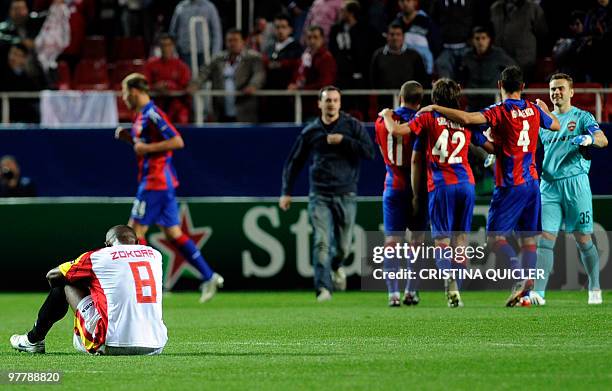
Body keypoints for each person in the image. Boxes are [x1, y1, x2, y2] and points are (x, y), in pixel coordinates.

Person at [416, 66, 561, 306]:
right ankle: (525, 293)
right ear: (523, 87)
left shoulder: (499, 110)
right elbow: (555, 125)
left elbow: (465, 118)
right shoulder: (534, 109)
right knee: (528, 240)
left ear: (499, 86)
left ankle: (519, 277)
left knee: (494, 238)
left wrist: (435, 107)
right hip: (533, 182)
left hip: (510, 183)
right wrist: (546, 110)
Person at [381, 78, 493, 307]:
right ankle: (457, 295)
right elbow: (491, 147)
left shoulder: (427, 116)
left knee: (442, 241)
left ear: (434, 98)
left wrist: (386, 116)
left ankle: (448, 279)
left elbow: (399, 132)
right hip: (466, 184)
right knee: (460, 241)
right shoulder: (466, 120)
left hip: (441, 185)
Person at [114, 73, 223, 303]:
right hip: (162, 182)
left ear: (134, 91)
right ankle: (209, 275)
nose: (124, 98)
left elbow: (177, 141)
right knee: (172, 232)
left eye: (125, 93)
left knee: (134, 232)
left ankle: (145, 286)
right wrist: (128, 139)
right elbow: (142, 147)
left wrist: (147, 147)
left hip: (155, 181)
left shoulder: (152, 113)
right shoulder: (141, 116)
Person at [279, 86, 375, 302]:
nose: (331, 103)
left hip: (346, 193)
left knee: (342, 246)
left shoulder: (351, 126)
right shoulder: (312, 130)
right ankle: (323, 288)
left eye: (334, 100)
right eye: (327, 100)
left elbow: (370, 152)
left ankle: (337, 265)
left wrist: (344, 141)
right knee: (321, 242)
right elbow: (294, 162)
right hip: (320, 194)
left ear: (340, 104)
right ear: (319, 104)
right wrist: (286, 192)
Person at [10, 225, 168, 355]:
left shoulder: (99, 256)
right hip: (156, 344)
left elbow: (52, 276)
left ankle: (33, 340)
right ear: (138, 242)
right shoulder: (154, 255)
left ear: (107, 245)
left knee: (66, 283)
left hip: (111, 342)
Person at [534, 73, 608, 305]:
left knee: (583, 238)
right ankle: (539, 292)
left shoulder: (582, 116)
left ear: (571, 92)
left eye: (560, 88)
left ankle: (594, 287)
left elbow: (603, 139)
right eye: (553, 89)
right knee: (545, 238)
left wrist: (589, 140)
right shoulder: (545, 122)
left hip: (575, 184)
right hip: (548, 185)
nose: (556, 92)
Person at [373, 81, 428, 307]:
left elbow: (381, 149)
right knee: (417, 242)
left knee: (392, 242)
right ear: (420, 101)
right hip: (417, 187)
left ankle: (392, 294)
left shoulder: (380, 121)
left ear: (400, 97)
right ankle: (411, 292)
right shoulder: (421, 122)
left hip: (392, 185)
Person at [191, 28, 265, 122]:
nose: (232, 43)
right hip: (220, 112)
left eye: (235, 40)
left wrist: (253, 86)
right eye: (229, 40)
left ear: (243, 41)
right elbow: (204, 72)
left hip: (245, 111)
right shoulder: (217, 59)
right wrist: (195, 84)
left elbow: (259, 74)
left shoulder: (253, 58)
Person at [454, 25, 516, 111]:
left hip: (493, 101)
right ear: (472, 40)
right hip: (472, 103)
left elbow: (514, 71)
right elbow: (459, 77)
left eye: (483, 38)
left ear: (489, 39)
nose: (480, 42)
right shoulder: (466, 56)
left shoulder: (499, 54)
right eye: (477, 38)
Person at [144, 33, 192, 124]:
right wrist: (155, 87)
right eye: (163, 45)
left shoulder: (181, 66)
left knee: (182, 114)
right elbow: (145, 85)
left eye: (168, 45)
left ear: (173, 46)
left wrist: (170, 86)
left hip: (176, 104)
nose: (166, 48)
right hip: (156, 103)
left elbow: (186, 86)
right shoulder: (151, 65)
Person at [169, 0, 223, 66]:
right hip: (185, 52)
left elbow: (216, 32)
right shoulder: (181, 7)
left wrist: (215, 54)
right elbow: (173, 32)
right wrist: (173, 52)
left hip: (204, 52)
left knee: (204, 74)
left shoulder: (209, 7)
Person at [393, 0, 440, 76]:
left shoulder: (427, 22)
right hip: (402, 70)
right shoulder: (395, 23)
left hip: (425, 70)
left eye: (408, 0)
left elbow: (436, 45)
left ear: (415, 2)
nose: (405, 3)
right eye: (402, 1)